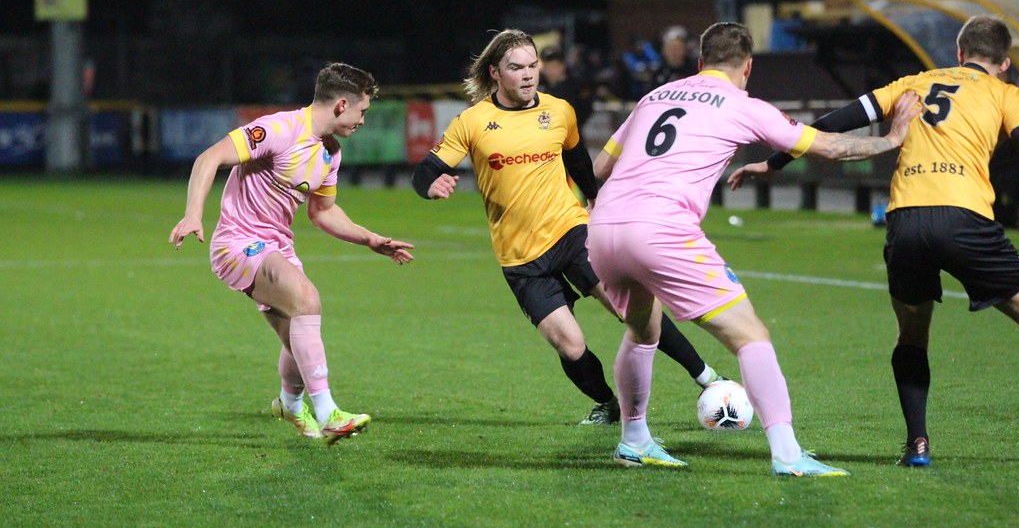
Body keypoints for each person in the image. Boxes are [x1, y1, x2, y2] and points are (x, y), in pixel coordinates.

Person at [588, 21, 920, 473]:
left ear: (700, 63)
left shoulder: (654, 97)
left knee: (643, 331)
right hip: (660, 228)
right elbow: (830, 148)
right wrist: (893, 138)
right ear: (748, 66)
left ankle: (634, 439)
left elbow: (601, 166)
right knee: (751, 336)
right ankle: (787, 455)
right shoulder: (743, 104)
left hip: (604, 227)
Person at [728, 15, 1019, 468]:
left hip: (906, 221)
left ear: (960, 53)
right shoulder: (1007, 94)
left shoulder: (912, 83)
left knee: (912, 337)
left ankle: (917, 444)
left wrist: (774, 163)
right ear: (1004, 63)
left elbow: (836, 120)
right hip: (965, 219)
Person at [412, 28, 724, 426]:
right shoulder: (472, 123)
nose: (527, 75)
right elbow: (426, 171)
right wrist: (431, 186)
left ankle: (708, 379)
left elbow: (578, 162)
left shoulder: (559, 111)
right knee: (569, 344)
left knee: (630, 308)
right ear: (494, 72)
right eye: (516, 68)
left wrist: (597, 201)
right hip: (520, 257)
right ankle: (608, 405)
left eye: (532, 65)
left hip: (572, 231)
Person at [169, 62, 414, 445]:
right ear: (342, 104)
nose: (363, 120)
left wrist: (370, 239)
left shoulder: (330, 153)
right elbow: (208, 158)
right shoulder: (280, 130)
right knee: (307, 300)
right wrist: (192, 215)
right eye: (362, 111)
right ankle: (328, 412)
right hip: (237, 242)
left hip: (277, 247)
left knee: (298, 341)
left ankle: (289, 402)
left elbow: (323, 212)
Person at [539, 45, 593, 136]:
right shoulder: (541, 86)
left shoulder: (574, 87)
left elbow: (585, 110)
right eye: (547, 67)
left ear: (562, 66)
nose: (550, 71)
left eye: (554, 66)